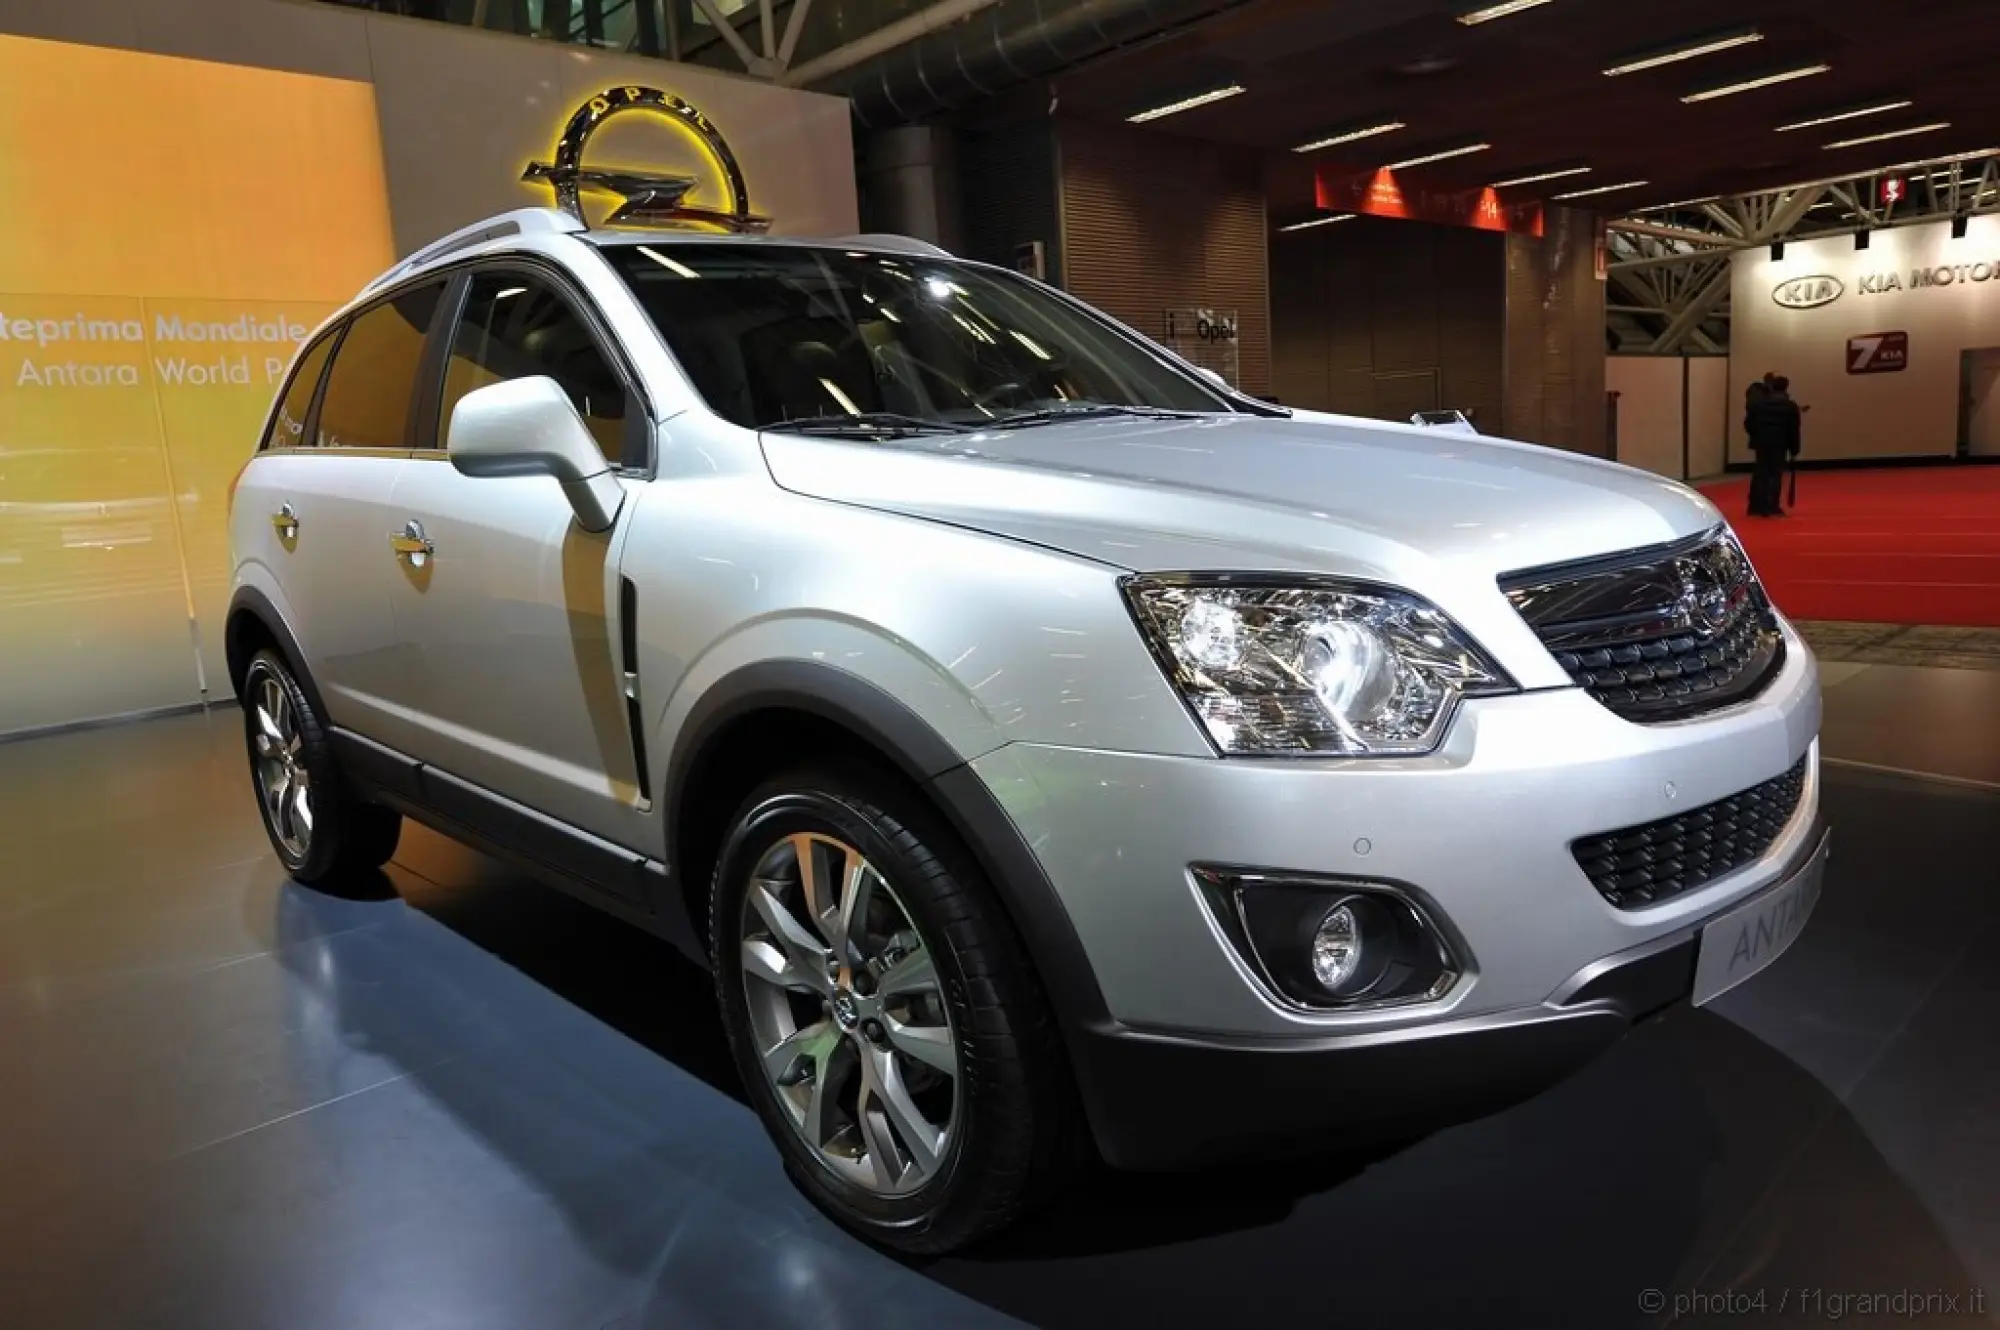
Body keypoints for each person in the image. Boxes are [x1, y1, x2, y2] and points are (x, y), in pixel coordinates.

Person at [1746, 374, 1801, 516]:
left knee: (1760, 473)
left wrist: (1756, 436)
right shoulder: (1790, 406)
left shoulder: (1759, 404)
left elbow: (1749, 423)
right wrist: (1794, 450)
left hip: (1762, 443)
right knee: (1775, 475)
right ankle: (1772, 505)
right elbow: (1794, 429)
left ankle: (1756, 505)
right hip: (1779, 444)